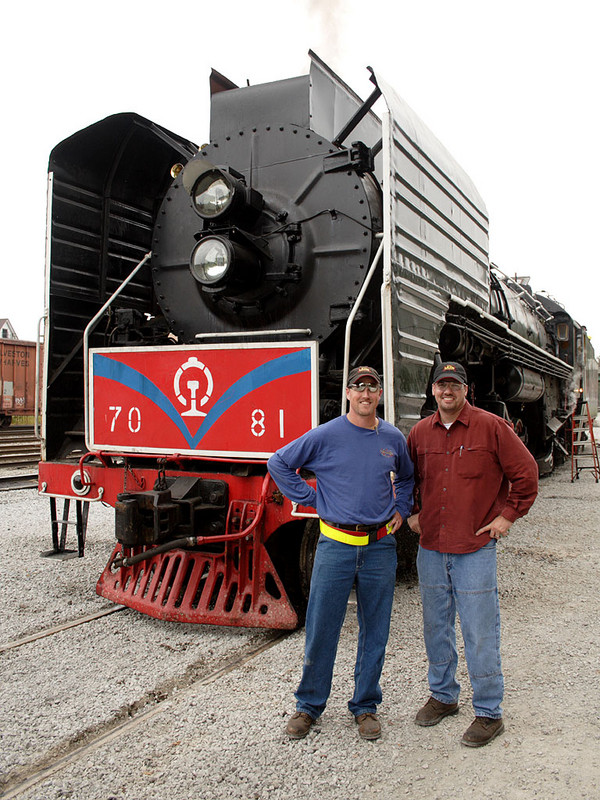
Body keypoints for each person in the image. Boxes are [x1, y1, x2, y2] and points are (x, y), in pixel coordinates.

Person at [267, 366, 414, 741]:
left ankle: (365, 706)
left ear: (379, 394)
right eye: (358, 387)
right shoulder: (326, 435)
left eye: (372, 387)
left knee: (375, 629)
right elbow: (279, 462)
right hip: (335, 545)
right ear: (348, 393)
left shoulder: (393, 438)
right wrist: (311, 499)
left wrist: (401, 505)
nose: (365, 394)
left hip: (380, 546)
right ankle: (309, 706)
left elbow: (408, 476)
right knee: (321, 626)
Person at [406, 361, 539, 747]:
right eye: (441, 385)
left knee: (480, 631)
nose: (448, 391)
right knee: (436, 628)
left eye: (455, 384)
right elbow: (407, 479)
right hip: (431, 548)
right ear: (433, 391)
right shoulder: (419, 433)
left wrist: (506, 517)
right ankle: (444, 696)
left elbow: (526, 473)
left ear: (466, 390)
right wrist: (412, 514)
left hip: (474, 548)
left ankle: (489, 712)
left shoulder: (492, 427)